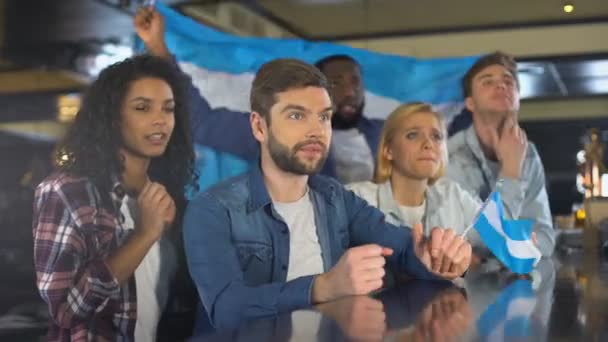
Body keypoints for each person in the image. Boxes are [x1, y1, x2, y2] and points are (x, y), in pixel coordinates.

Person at [183, 58, 472, 329]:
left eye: (323, 117)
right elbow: (225, 309)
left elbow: (405, 249)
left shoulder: (336, 198)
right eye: (297, 115)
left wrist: (437, 258)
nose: (316, 130)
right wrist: (324, 286)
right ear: (260, 127)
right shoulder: (212, 208)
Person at [32, 54, 197, 341]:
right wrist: (144, 235)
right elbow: (66, 312)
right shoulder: (66, 191)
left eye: (168, 109)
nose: (160, 120)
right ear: (112, 116)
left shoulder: (169, 199)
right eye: (142, 108)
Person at [134, 8, 382, 183]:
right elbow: (200, 121)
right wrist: (159, 49)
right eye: (336, 83)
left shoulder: (388, 134)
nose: (350, 92)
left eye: (356, 83)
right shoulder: (275, 133)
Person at [347, 103, 526, 255]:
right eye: (412, 135)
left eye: (436, 136)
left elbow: (501, 240)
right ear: (388, 150)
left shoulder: (453, 195)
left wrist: (511, 169)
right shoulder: (356, 199)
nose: (428, 144)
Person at [447, 51, 555, 256]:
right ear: (470, 103)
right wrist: (511, 170)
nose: (501, 85)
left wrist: (524, 246)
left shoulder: (528, 152)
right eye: (487, 82)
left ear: (518, 98)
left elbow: (546, 238)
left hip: (520, 279)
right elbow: (477, 240)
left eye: (508, 81)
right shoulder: (451, 155)